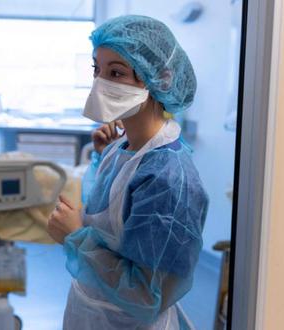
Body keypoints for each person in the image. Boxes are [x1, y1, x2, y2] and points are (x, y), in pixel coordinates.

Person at [46, 15, 209, 329]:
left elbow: (148, 297)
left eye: (116, 72)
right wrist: (101, 158)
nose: (100, 83)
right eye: (98, 70)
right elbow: (109, 218)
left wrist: (76, 237)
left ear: (159, 79)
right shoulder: (121, 149)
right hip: (92, 314)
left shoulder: (169, 179)